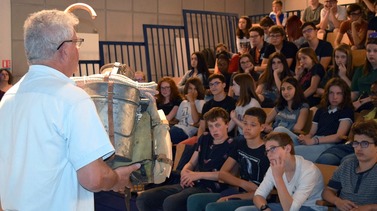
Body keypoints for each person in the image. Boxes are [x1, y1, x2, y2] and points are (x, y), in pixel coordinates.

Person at [0, 9, 140, 210]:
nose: (78, 49)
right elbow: (93, 178)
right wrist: (117, 178)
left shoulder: (10, 97)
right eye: (77, 42)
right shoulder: (71, 98)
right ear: (64, 49)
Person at [136, 107, 236, 211]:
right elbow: (191, 163)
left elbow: (225, 175)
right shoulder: (205, 138)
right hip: (192, 182)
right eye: (210, 126)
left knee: (172, 202)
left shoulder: (233, 144)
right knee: (144, 198)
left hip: (210, 187)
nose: (214, 129)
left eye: (218, 125)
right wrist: (184, 172)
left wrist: (196, 175)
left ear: (227, 124)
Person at [187, 108, 270, 211]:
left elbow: (266, 192)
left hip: (257, 197)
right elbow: (223, 174)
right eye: (245, 124)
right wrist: (243, 183)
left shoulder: (267, 152)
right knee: (194, 200)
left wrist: (230, 197)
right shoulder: (240, 144)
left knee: (213, 207)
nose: (247, 128)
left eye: (253, 125)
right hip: (239, 191)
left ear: (262, 127)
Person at [235, 132, 325, 211]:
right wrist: (265, 209)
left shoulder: (309, 171)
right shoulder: (274, 167)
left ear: (287, 149)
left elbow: (291, 209)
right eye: (267, 151)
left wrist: (278, 177)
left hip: (310, 208)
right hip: (285, 205)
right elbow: (258, 195)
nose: (269, 155)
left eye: (273, 149)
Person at [284, 78, 354, 162]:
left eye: (339, 93)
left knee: (289, 151)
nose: (334, 97)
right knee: (280, 131)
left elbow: (338, 137)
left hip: (329, 144)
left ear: (344, 95)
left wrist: (313, 141)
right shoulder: (321, 110)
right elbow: (312, 133)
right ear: (327, 94)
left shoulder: (346, 110)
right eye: (331, 93)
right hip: (314, 141)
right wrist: (305, 138)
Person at [316, 80, 377, 165]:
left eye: (376, 93)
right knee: (325, 157)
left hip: (371, 147)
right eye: (372, 93)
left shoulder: (347, 111)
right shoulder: (364, 113)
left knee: (347, 161)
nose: (373, 97)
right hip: (352, 146)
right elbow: (353, 133)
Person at [322, 120, 377, 210]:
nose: (358, 148)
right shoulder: (347, 164)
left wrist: (369, 207)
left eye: (364, 143)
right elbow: (328, 191)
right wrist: (337, 201)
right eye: (356, 143)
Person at [170, 78, 206, 144]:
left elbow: (196, 120)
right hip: (177, 128)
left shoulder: (201, 103)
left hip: (186, 132)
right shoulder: (183, 103)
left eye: (195, 89)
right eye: (190, 88)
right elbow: (177, 120)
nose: (192, 91)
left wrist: (192, 102)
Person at [351, 32, 377, 112]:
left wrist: (361, 102)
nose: (371, 54)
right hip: (359, 105)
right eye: (368, 51)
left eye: (375, 51)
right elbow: (354, 93)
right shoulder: (360, 70)